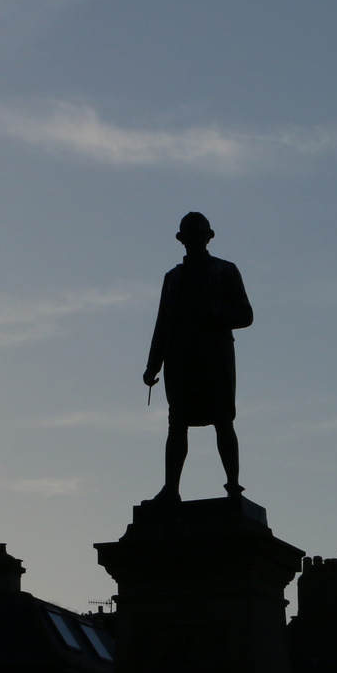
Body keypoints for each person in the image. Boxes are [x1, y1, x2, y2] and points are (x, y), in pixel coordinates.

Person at [143, 211, 254, 502]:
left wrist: (216, 313)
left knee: (223, 420)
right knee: (177, 423)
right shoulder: (172, 278)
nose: (194, 240)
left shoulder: (226, 270)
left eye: (199, 235)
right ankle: (171, 489)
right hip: (181, 359)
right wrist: (153, 364)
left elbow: (245, 313)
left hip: (214, 358)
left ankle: (233, 486)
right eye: (188, 236)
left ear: (209, 237)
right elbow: (162, 324)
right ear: (181, 240)